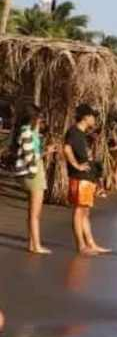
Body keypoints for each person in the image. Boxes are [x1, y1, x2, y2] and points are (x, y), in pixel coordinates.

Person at [64, 104, 110, 255]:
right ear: (85, 117)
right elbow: (66, 148)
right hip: (80, 178)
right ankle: (81, 246)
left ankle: (91, 243)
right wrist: (76, 165)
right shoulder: (74, 132)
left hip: (87, 178)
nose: (94, 118)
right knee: (79, 211)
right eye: (92, 116)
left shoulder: (83, 134)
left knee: (85, 212)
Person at [13, 104, 52, 254]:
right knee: (35, 214)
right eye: (38, 117)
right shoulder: (26, 133)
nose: (40, 119)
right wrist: (45, 152)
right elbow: (31, 157)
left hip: (34, 172)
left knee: (32, 212)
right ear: (32, 118)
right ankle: (36, 245)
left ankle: (32, 243)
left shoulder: (29, 131)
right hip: (33, 173)